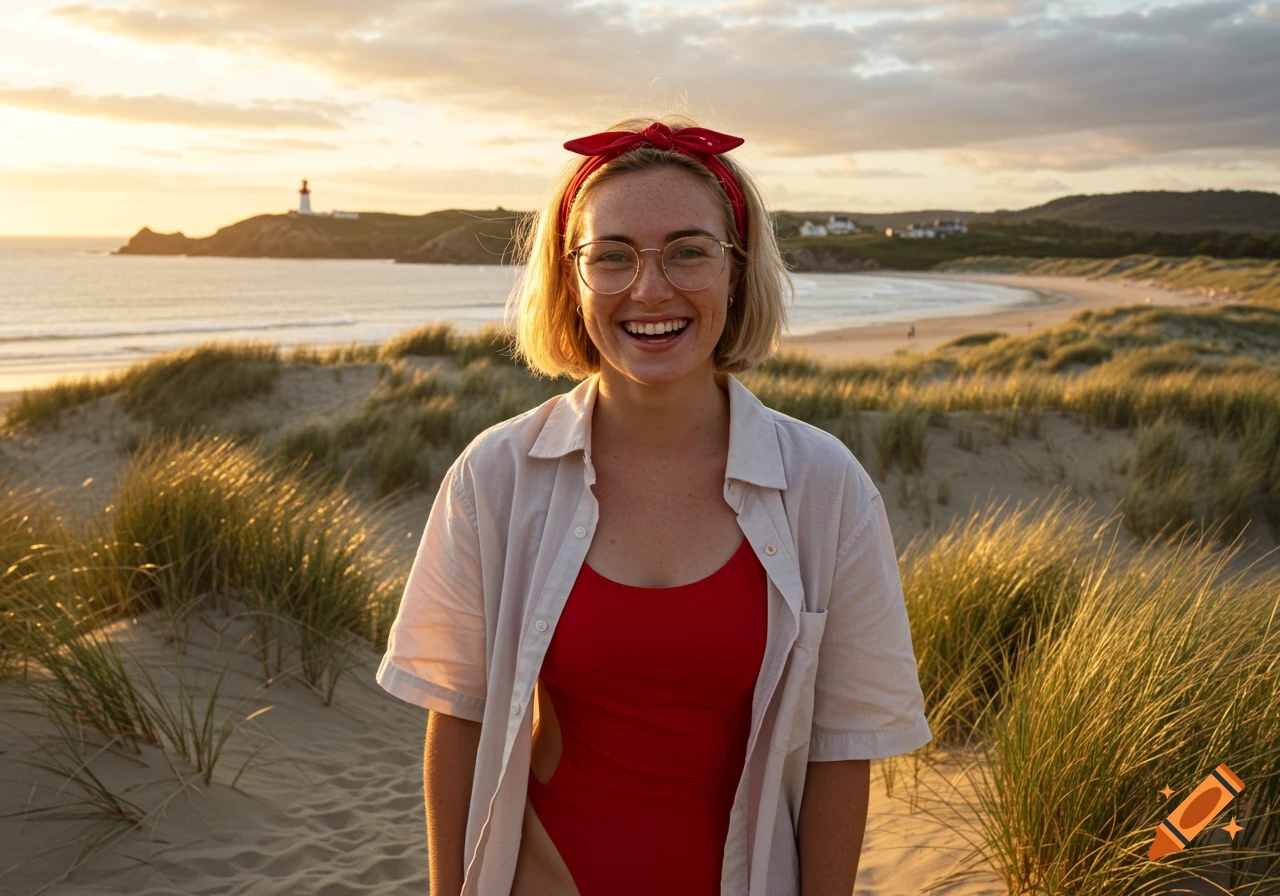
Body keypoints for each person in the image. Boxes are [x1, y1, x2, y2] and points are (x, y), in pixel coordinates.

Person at [376, 114, 932, 896]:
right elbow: (459, 719)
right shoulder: (495, 478)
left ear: (735, 272)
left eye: (688, 251)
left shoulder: (826, 488)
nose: (650, 288)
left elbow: (843, 750)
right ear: (571, 279)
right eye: (611, 257)